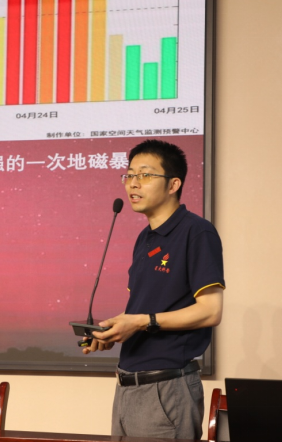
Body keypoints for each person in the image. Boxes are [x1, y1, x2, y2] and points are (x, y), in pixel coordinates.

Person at [83, 139, 225, 439]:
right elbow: (144, 309)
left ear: (173, 184)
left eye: (145, 175)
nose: (133, 183)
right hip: (127, 385)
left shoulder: (196, 231)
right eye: (129, 175)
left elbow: (210, 311)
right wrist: (112, 332)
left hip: (165, 388)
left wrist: (139, 322)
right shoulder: (145, 238)